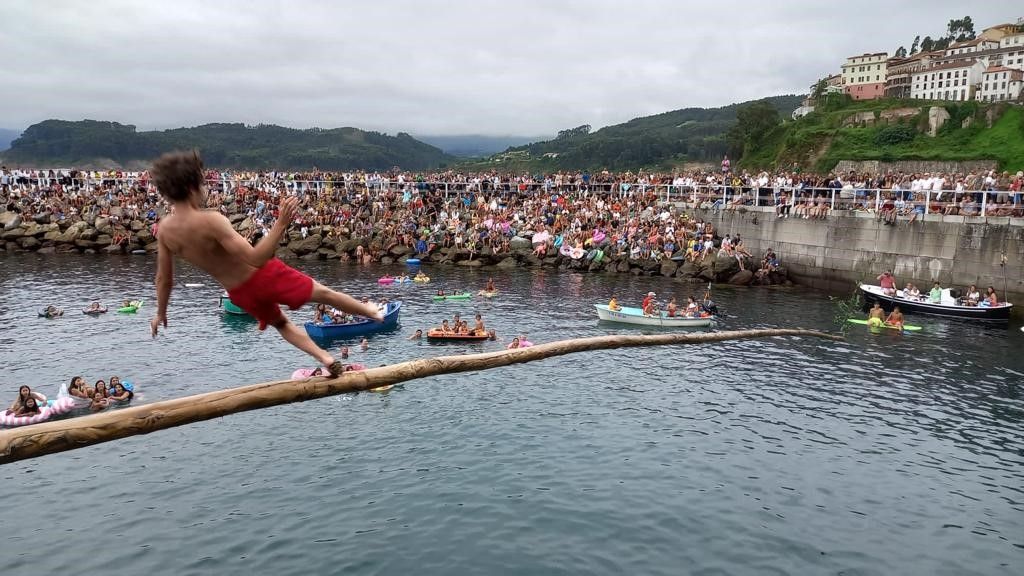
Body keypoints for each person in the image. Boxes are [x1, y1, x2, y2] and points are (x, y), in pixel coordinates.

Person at [147, 151, 382, 377]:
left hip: (240, 294)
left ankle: (325, 358)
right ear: (191, 187)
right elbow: (256, 259)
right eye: (204, 183)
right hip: (263, 276)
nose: (207, 188)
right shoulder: (211, 220)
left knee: (282, 324)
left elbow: (164, 279)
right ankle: (372, 312)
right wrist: (280, 224)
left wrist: (160, 313)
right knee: (325, 294)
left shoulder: (166, 230)